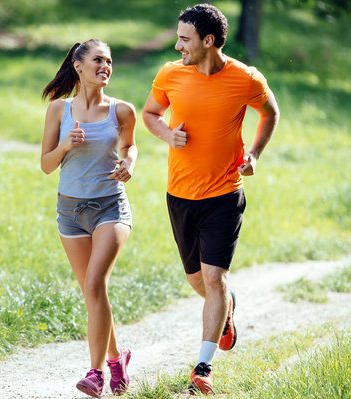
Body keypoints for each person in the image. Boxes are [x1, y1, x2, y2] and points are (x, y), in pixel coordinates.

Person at [141, 3, 280, 395]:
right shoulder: (170, 74)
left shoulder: (245, 78)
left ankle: (203, 367)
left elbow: (270, 114)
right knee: (198, 281)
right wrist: (167, 135)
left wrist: (254, 154)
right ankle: (227, 308)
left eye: (184, 39)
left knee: (215, 278)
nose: (177, 45)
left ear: (208, 41)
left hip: (224, 194)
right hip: (180, 194)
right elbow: (150, 113)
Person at [40, 39, 137, 398]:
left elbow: (130, 145)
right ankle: (117, 360)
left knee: (95, 285)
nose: (105, 66)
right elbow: (46, 165)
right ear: (79, 66)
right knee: (92, 293)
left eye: (109, 61)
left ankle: (95, 373)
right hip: (70, 211)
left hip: (110, 207)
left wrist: (129, 162)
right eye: (98, 60)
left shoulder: (122, 110)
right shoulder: (58, 111)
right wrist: (65, 145)